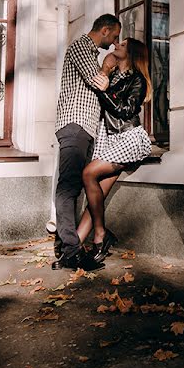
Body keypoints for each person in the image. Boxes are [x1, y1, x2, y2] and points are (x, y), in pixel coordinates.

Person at [51, 14, 121, 271]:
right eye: (114, 37)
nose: (115, 44)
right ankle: (71, 251)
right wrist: (109, 66)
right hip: (74, 126)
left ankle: (69, 248)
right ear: (104, 30)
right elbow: (99, 81)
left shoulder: (91, 53)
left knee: (75, 189)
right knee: (68, 188)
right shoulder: (81, 46)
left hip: (84, 130)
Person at [81, 37, 153, 264]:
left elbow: (125, 111)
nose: (115, 45)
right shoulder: (112, 76)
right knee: (98, 194)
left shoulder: (138, 80)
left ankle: (101, 235)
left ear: (131, 53)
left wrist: (104, 92)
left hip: (127, 138)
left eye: (121, 44)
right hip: (108, 138)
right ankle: (74, 244)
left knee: (88, 173)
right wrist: (106, 70)